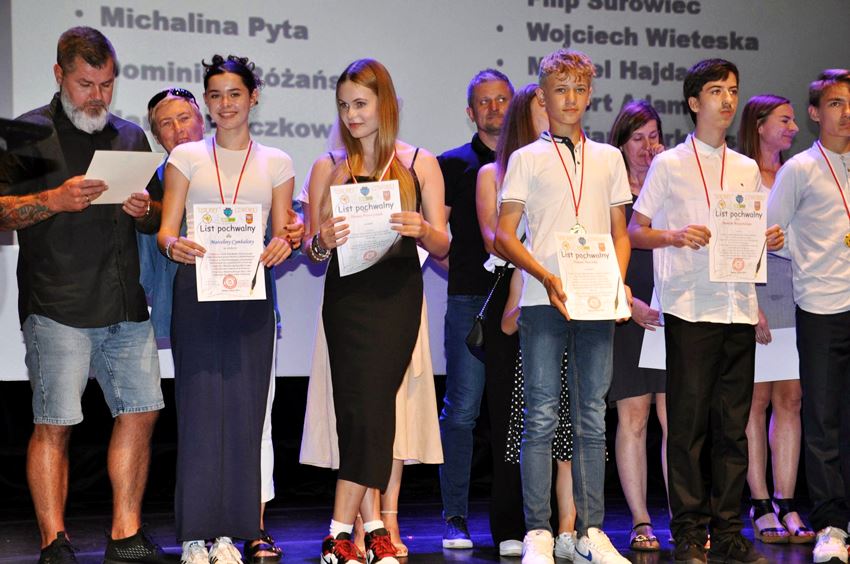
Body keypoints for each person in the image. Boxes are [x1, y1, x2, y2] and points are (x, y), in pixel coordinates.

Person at [0, 26, 174, 564]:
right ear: (59, 75)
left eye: (106, 84)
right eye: (85, 84)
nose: (97, 96)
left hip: (125, 303)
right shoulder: (29, 133)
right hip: (57, 305)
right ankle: (54, 541)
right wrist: (53, 199)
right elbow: (2, 210)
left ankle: (125, 535)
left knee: (141, 411)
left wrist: (145, 212)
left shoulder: (130, 136)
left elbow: (157, 217)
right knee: (55, 424)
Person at [629, 58, 784, 564]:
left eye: (733, 90)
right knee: (689, 425)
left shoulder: (745, 168)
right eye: (716, 90)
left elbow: (750, 235)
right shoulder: (669, 164)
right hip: (690, 307)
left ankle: (730, 531)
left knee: (733, 427)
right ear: (694, 102)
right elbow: (635, 230)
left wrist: (767, 239)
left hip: (737, 307)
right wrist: (674, 236)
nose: (727, 99)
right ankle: (690, 533)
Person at [145, 87, 300, 563]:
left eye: (235, 94)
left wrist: (290, 239)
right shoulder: (187, 157)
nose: (225, 103)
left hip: (251, 294)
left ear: (253, 98)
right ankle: (195, 536)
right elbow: (166, 231)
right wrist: (173, 245)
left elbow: (285, 230)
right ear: (207, 103)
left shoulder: (277, 161)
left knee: (245, 416)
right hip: (198, 286)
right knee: (198, 414)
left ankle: (232, 533)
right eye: (215, 95)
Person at [305, 58, 448, 564]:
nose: (352, 115)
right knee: (360, 411)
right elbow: (312, 251)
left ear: (385, 104)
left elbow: (445, 245)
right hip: (347, 302)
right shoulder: (329, 165)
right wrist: (321, 240)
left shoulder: (419, 163)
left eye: (361, 104)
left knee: (377, 407)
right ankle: (369, 530)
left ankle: (341, 531)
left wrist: (422, 229)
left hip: (396, 299)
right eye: (344, 105)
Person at [494, 49, 632, 564]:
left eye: (578, 89)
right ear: (543, 96)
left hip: (595, 302)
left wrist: (615, 285)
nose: (570, 99)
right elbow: (505, 235)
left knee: (592, 416)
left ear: (589, 95)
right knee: (542, 415)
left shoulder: (610, 158)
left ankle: (590, 531)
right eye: (560, 89)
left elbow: (621, 234)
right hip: (542, 299)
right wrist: (545, 276)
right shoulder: (526, 158)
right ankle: (539, 531)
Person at [475, 83, 577, 559]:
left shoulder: (573, 165)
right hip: (515, 289)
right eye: (544, 105)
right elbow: (495, 238)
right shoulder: (494, 172)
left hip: (559, 288)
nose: (557, 109)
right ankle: (512, 522)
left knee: (560, 416)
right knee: (513, 418)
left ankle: (562, 524)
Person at [767, 68, 850, 564]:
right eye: (836, 103)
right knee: (822, 421)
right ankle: (832, 525)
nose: (847, 113)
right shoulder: (799, 168)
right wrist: (802, 255)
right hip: (821, 305)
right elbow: (771, 232)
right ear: (816, 113)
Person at [436, 68, 516, 550]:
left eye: (502, 99)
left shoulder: (530, 161)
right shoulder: (451, 165)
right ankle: (455, 516)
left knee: (516, 412)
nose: (494, 108)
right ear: (471, 111)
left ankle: (517, 522)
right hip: (470, 299)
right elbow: (436, 238)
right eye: (484, 101)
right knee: (463, 410)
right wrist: (463, 271)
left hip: (521, 299)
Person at [737, 94, 814, 545]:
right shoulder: (740, 176)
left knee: (791, 399)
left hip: (797, 291)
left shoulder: (798, 173)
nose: (793, 128)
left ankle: (787, 501)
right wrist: (750, 304)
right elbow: (733, 245)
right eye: (784, 120)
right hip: (756, 294)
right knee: (755, 400)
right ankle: (760, 502)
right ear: (759, 125)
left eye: (793, 121)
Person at [606, 100, 668, 552]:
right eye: (638, 138)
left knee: (676, 420)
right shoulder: (611, 192)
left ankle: (684, 517)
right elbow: (600, 253)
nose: (647, 146)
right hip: (628, 312)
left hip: (671, 314)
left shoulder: (672, 185)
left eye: (654, 137)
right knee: (634, 416)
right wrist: (630, 300)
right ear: (622, 144)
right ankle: (640, 520)